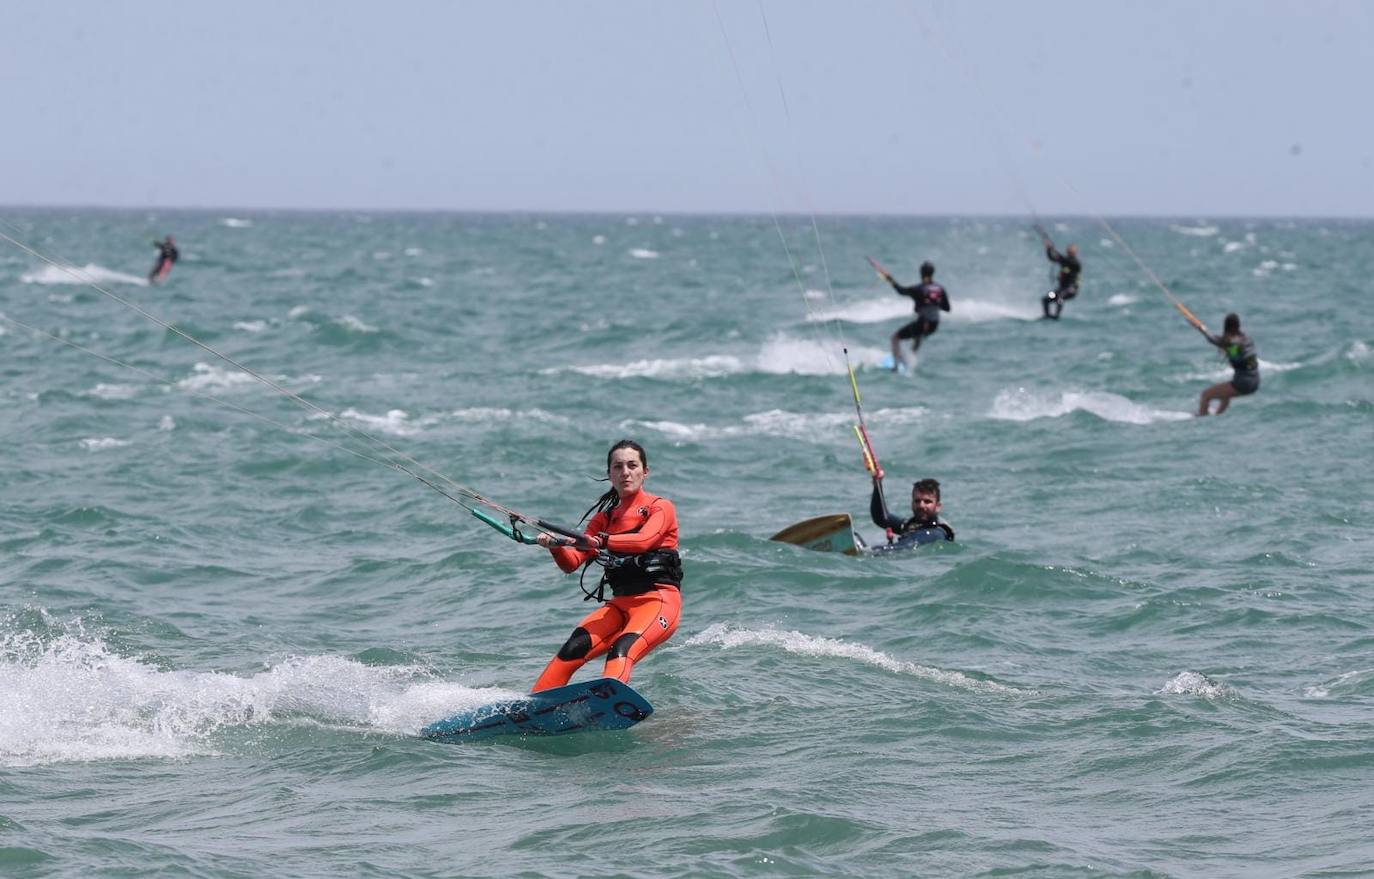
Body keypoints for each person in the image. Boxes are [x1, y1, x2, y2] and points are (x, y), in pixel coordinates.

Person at [532, 440, 682, 692]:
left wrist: (600, 540)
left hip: (658, 603)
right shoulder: (603, 519)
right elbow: (572, 564)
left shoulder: (660, 507)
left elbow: (644, 540)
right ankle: (534, 706)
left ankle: (608, 703)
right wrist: (555, 547)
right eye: (618, 466)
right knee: (572, 648)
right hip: (619, 604)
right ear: (609, 474)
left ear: (645, 471)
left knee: (621, 649)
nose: (625, 472)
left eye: (632, 465)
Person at [881, 260, 951, 371]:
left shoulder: (918, 289)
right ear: (932, 273)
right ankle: (909, 359)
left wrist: (889, 279)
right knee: (918, 337)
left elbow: (901, 291)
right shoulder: (940, 289)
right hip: (934, 326)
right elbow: (947, 308)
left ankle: (896, 366)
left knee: (895, 338)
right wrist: (934, 302)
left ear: (921, 273)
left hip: (922, 323)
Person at [863, 475, 954, 552]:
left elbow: (906, 546)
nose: (921, 505)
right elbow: (881, 518)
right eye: (917, 501)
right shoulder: (911, 525)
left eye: (927, 501)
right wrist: (877, 485)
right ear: (912, 503)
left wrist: (870, 551)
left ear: (938, 506)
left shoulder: (935, 534)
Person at [1197, 313, 1259, 416]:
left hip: (1243, 384)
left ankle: (1202, 418)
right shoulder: (1247, 339)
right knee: (1224, 395)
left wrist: (1203, 330)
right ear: (1238, 325)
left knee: (1205, 395)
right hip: (1255, 382)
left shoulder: (1232, 344)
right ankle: (1217, 416)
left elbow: (1215, 340)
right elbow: (1228, 346)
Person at [1041, 239, 1081, 320]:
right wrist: (1049, 250)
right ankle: (1047, 316)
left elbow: (1064, 260)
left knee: (1060, 297)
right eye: (1069, 251)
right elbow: (1052, 258)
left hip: (1071, 290)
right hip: (1061, 289)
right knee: (1046, 298)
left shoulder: (1075, 263)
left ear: (1075, 252)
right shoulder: (1064, 260)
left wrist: (1054, 249)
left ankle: (1056, 316)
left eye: (1071, 251)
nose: (1069, 252)